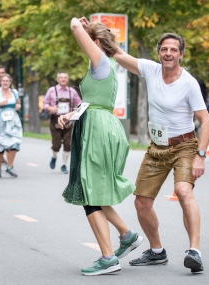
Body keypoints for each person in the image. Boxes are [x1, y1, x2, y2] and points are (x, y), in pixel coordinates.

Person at [113, 32, 209, 273]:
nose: (168, 53)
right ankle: (157, 251)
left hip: (185, 146)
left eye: (174, 50)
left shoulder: (188, 83)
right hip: (157, 148)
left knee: (183, 190)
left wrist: (200, 155)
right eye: (164, 49)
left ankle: (194, 251)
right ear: (159, 52)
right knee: (141, 202)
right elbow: (117, 54)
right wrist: (92, 31)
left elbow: (205, 121)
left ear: (181, 54)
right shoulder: (150, 69)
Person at [58, 18, 143, 276]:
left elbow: (73, 25)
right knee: (95, 188)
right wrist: (70, 115)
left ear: (95, 43)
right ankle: (126, 236)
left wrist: (82, 25)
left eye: (87, 41)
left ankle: (108, 258)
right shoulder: (103, 66)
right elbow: (93, 103)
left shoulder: (100, 60)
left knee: (90, 193)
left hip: (97, 130)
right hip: (98, 124)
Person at [43, 71, 82, 174]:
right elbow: (45, 103)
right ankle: (54, 156)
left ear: (68, 80)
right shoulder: (52, 90)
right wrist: (51, 108)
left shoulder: (72, 91)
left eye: (65, 77)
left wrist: (76, 108)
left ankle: (64, 165)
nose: (63, 79)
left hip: (68, 120)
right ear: (57, 80)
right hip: (55, 119)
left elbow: (80, 103)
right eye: (61, 78)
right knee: (56, 144)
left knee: (67, 144)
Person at [0, 73, 22, 178]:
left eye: (7, 81)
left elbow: (18, 103)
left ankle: (10, 167)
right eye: (3, 81)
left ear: (10, 82)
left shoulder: (14, 92)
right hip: (0, 120)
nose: (5, 83)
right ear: (0, 82)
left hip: (12, 120)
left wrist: (18, 106)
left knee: (14, 143)